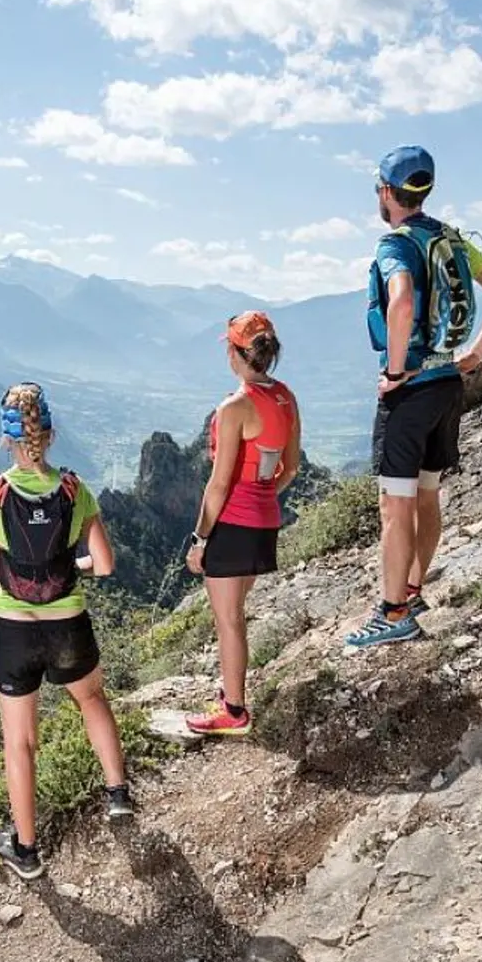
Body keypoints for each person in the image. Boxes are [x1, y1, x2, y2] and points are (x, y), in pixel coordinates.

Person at [346, 145, 482, 649]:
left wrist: (399, 371)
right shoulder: (453, 240)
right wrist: (476, 354)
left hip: (413, 393)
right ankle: (412, 590)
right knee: (427, 495)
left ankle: (393, 613)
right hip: (449, 386)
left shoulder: (394, 245)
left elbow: (400, 301)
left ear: (386, 191)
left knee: (395, 506)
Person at [0, 382, 133, 881]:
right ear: (51, 435)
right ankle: (118, 795)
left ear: (5, 440)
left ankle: (27, 850)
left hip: (14, 633)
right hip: (68, 624)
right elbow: (103, 564)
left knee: (20, 742)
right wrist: (68, 565)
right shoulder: (75, 491)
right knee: (93, 701)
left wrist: (9, 587)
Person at [183, 312, 301, 736]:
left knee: (228, 618)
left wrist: (199, 540)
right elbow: (290, 468)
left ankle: (233, 711)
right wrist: (262, 495)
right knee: (233, 613)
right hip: (264, 521)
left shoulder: (234, 408)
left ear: (235, 352)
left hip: (232, 522)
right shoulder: (285, 397)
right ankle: (230, 691)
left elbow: (217, 486)